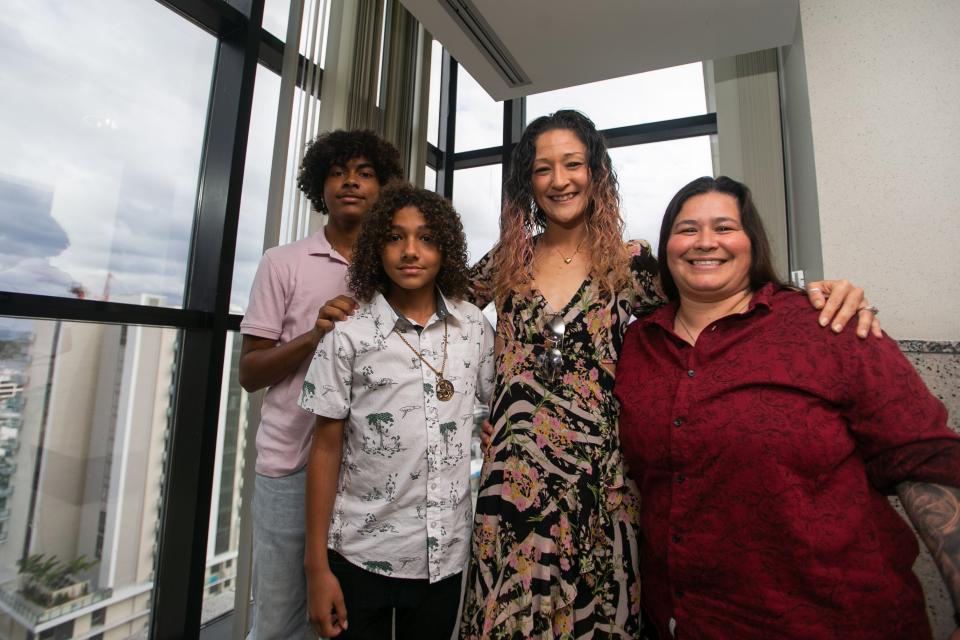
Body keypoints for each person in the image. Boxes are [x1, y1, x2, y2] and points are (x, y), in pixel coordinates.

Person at [319, 110, 876, 638]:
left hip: (603, 493)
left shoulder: (629, 264)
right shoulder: (506, 262)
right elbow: (423, 305)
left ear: (596, 172)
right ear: (526, 183)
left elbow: (719, 300)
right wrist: (351, 307)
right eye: (542, 167)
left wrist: (808, 297)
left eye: (573, 163)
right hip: (512, 494)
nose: (559, 180)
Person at [614, 175, 960, 639]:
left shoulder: (827, 326)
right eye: (687, 229)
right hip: (683, 622)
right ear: (667, 245)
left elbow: (926, 461)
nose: (705, 242)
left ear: (752, 242)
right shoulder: (639, 343)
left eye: (723, 227)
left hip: (832, 622)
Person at [299, 184, 496, 639]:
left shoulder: (472, 328)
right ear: (375, 248)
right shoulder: (348, 333)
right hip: (359, 554)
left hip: (444, 559)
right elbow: (325, 450)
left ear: (446, 248)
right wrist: (315, 568)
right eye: (394, 237)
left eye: (426, 238)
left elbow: (499, 406)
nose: (411, 251)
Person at [238, 129, 403, 639]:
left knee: (348, 621)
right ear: (320, 186)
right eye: (337, 172)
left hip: (371, 474)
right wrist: (316, 334)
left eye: (365, 173)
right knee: (281, 620)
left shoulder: (398, 269)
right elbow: (250, 373)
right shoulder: (281, 262)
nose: (350, 182)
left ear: (384, 187)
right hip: (291, 465)